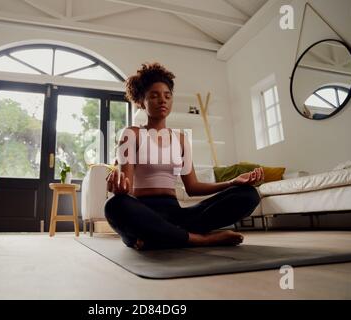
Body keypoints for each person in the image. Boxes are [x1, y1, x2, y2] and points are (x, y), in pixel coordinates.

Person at [104, 63, 263, 250]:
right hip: (144, 211)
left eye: (167, 96)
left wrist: (232, 182)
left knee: (248, 195)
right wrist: (119, 189)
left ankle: (160, 236)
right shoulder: (131, 134)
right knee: (115, 205)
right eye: (154, 96)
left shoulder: (180, 139)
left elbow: (193, 187)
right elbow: (127, 187)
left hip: (177, 215)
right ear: (141, 101)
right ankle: (202, 240)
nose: (162, 100)